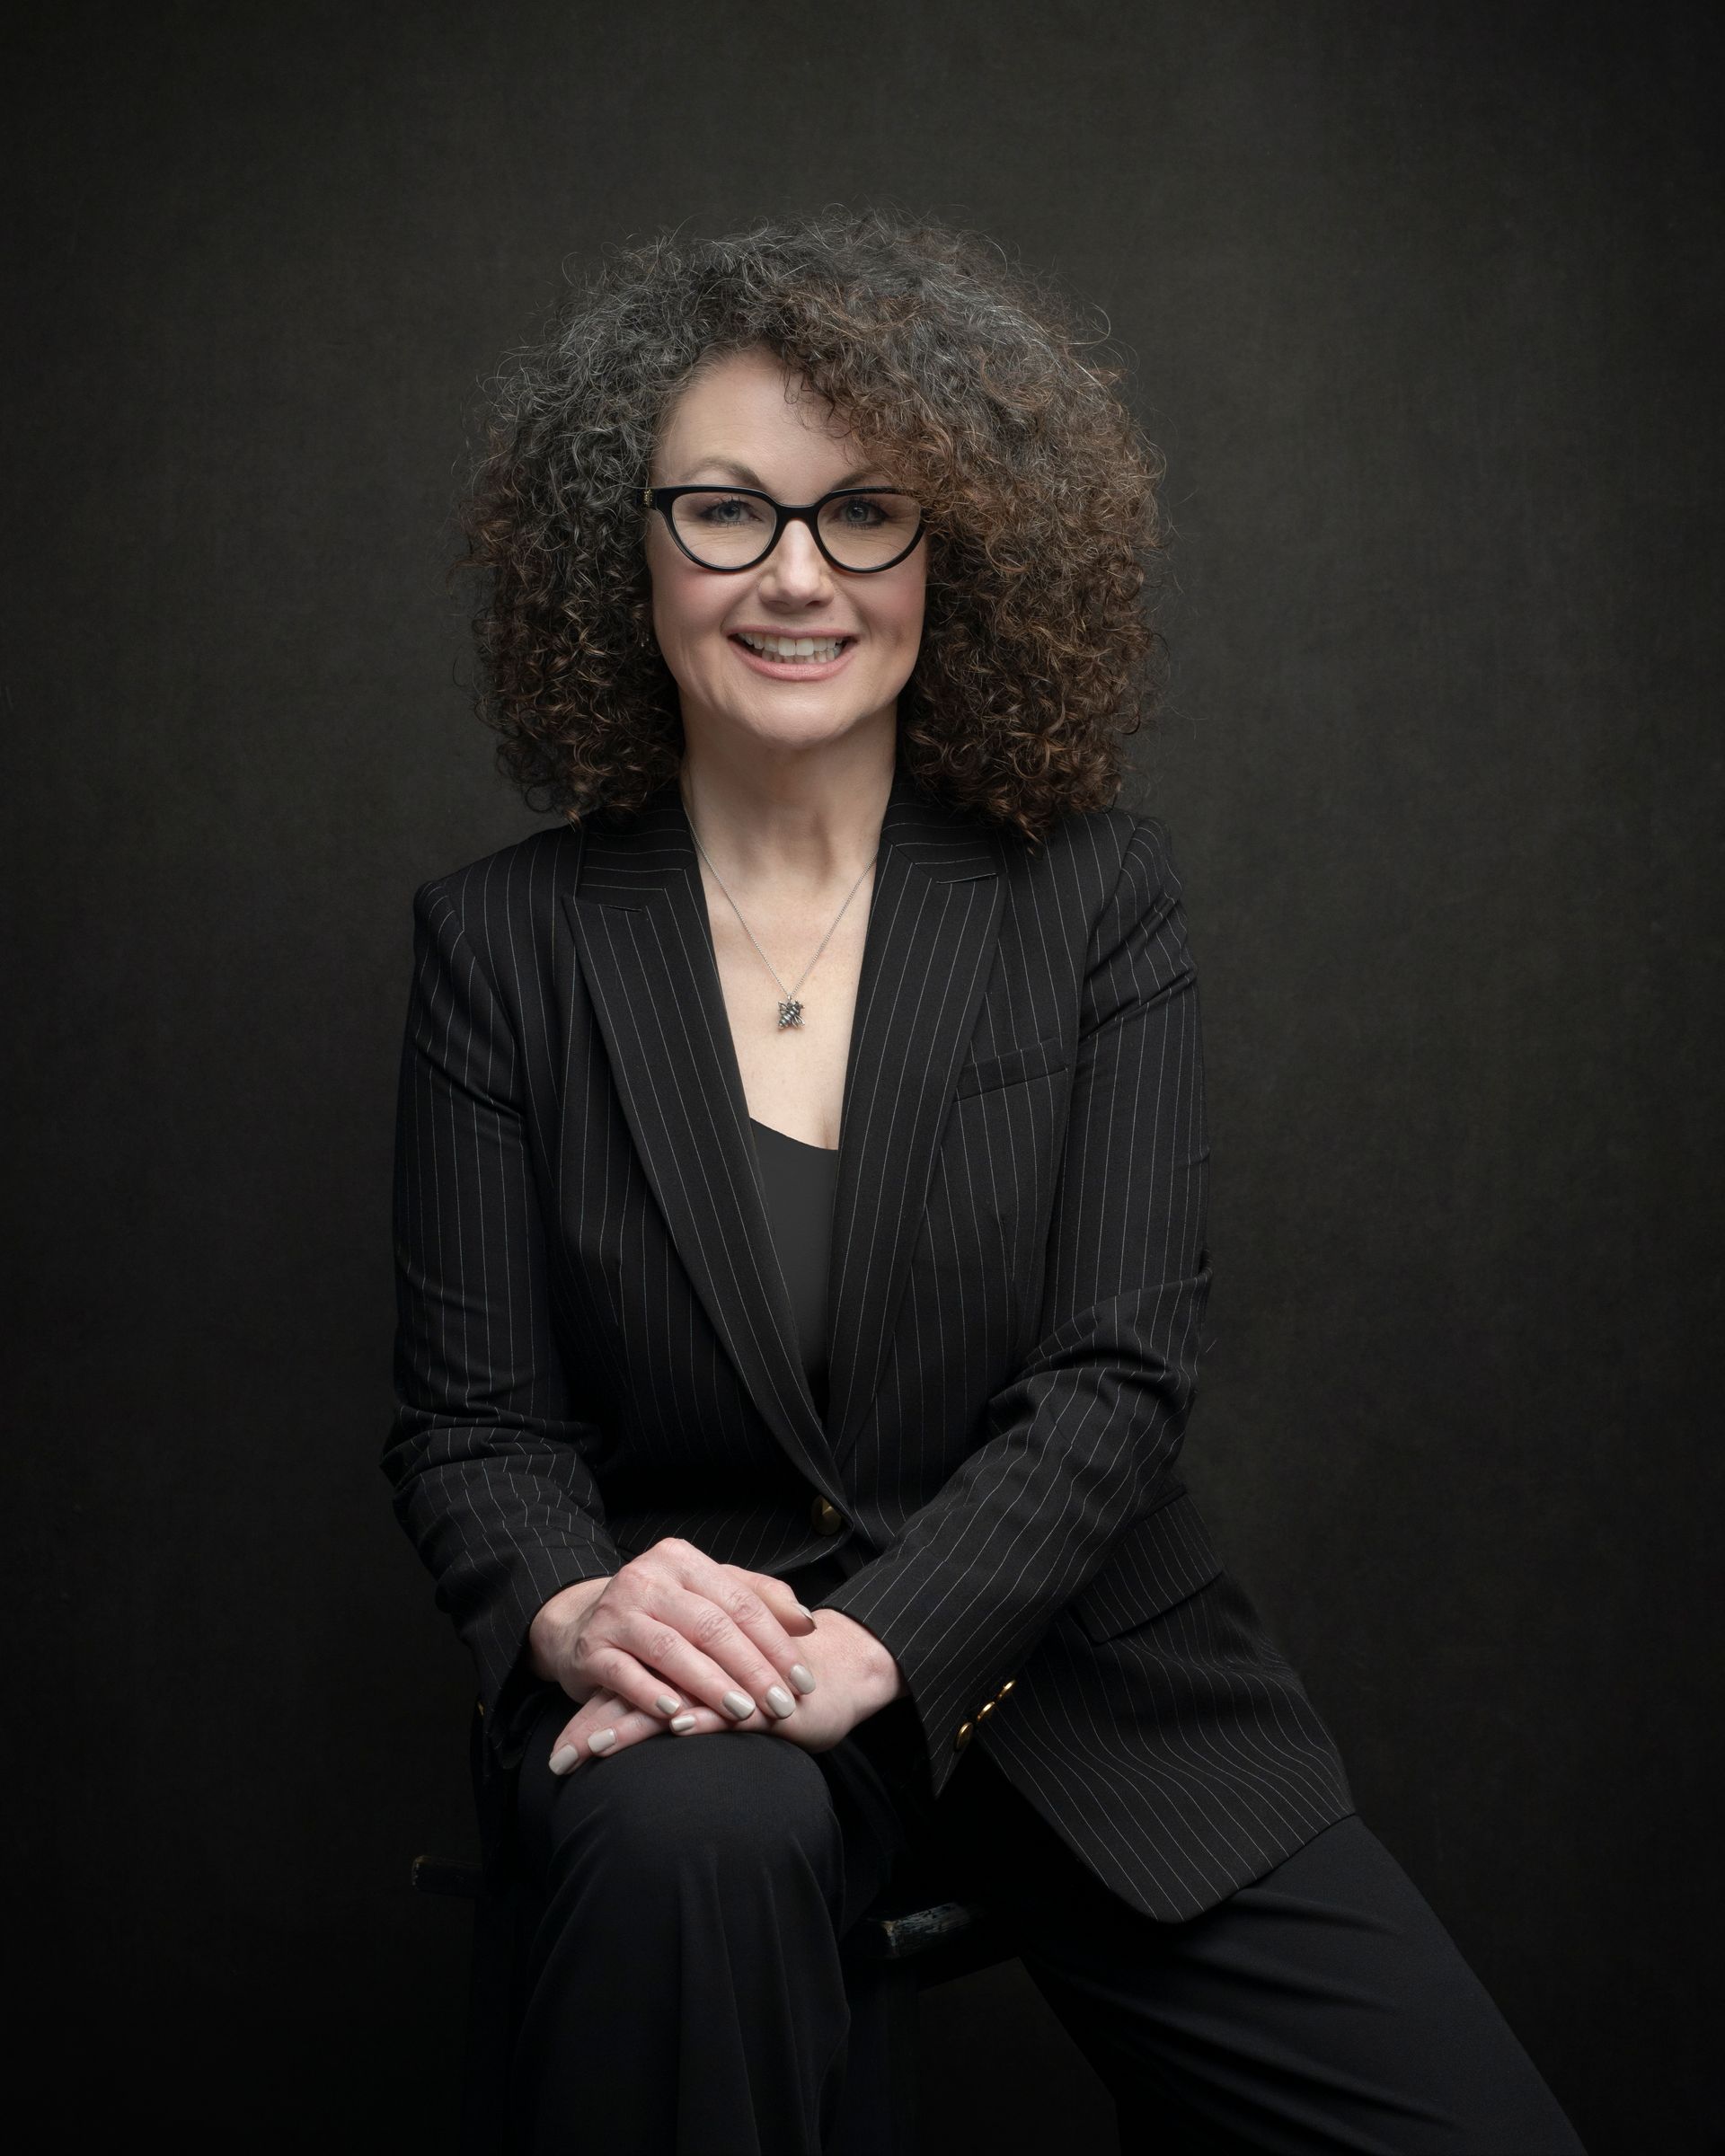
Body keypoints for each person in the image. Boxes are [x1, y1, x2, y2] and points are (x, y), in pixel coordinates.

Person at [384, 208, 1588, 2154]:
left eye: (866, 513)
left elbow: (1118, 1374)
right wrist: (574, 1608)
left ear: (956, 555)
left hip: (1085, 1678)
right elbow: (475, 1424)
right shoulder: (501, 947)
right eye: (725, 511)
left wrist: (889, 1642)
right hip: (707, 1682)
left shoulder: (1094, 900)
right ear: (630, 552)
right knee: (688, 1861)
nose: (795, 575)